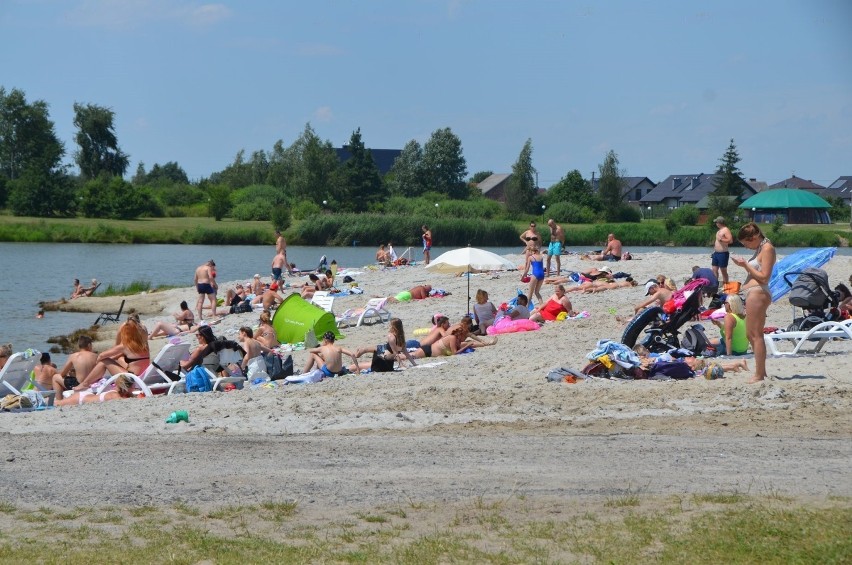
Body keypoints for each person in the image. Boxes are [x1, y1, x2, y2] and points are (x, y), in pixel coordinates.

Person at [732, 222, 776, 384]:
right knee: (750, 334)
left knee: (756, 334)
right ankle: (761, 372)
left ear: (755, 237)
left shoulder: (767, 248)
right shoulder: (760, 248)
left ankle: (759, 374)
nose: (746, 247)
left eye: (746, 243)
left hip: (759, 292)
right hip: (753, 292)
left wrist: (745, 266)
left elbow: (764, 276)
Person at [76, 319, 150, 392]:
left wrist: (97, 364)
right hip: (143, 377)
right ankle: (91, 379)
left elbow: (102, 355)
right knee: (117, 359)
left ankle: (85, 384)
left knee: (105, 361)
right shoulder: (144, 344)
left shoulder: (126, 346)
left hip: (131, 380)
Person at [55, 374, 136, 407]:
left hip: (86, 396)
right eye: (133, 386)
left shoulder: (119, 392)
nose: (134, 387)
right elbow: (125, 402)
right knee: (57, 404)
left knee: (59, 403)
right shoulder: (114, 395)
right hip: (80, 398)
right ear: (127, 387)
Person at [712, 216, 734, 285]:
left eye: (716, 222)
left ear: (720, 223)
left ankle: (726, 285)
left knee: (723, 271)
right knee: (714, 269)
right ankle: (715, 284)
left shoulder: (726, 230)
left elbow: (730, 240)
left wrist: (721, 239)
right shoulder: (719, 231)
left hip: (723, 253)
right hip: (716, 253)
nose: (716, 224)